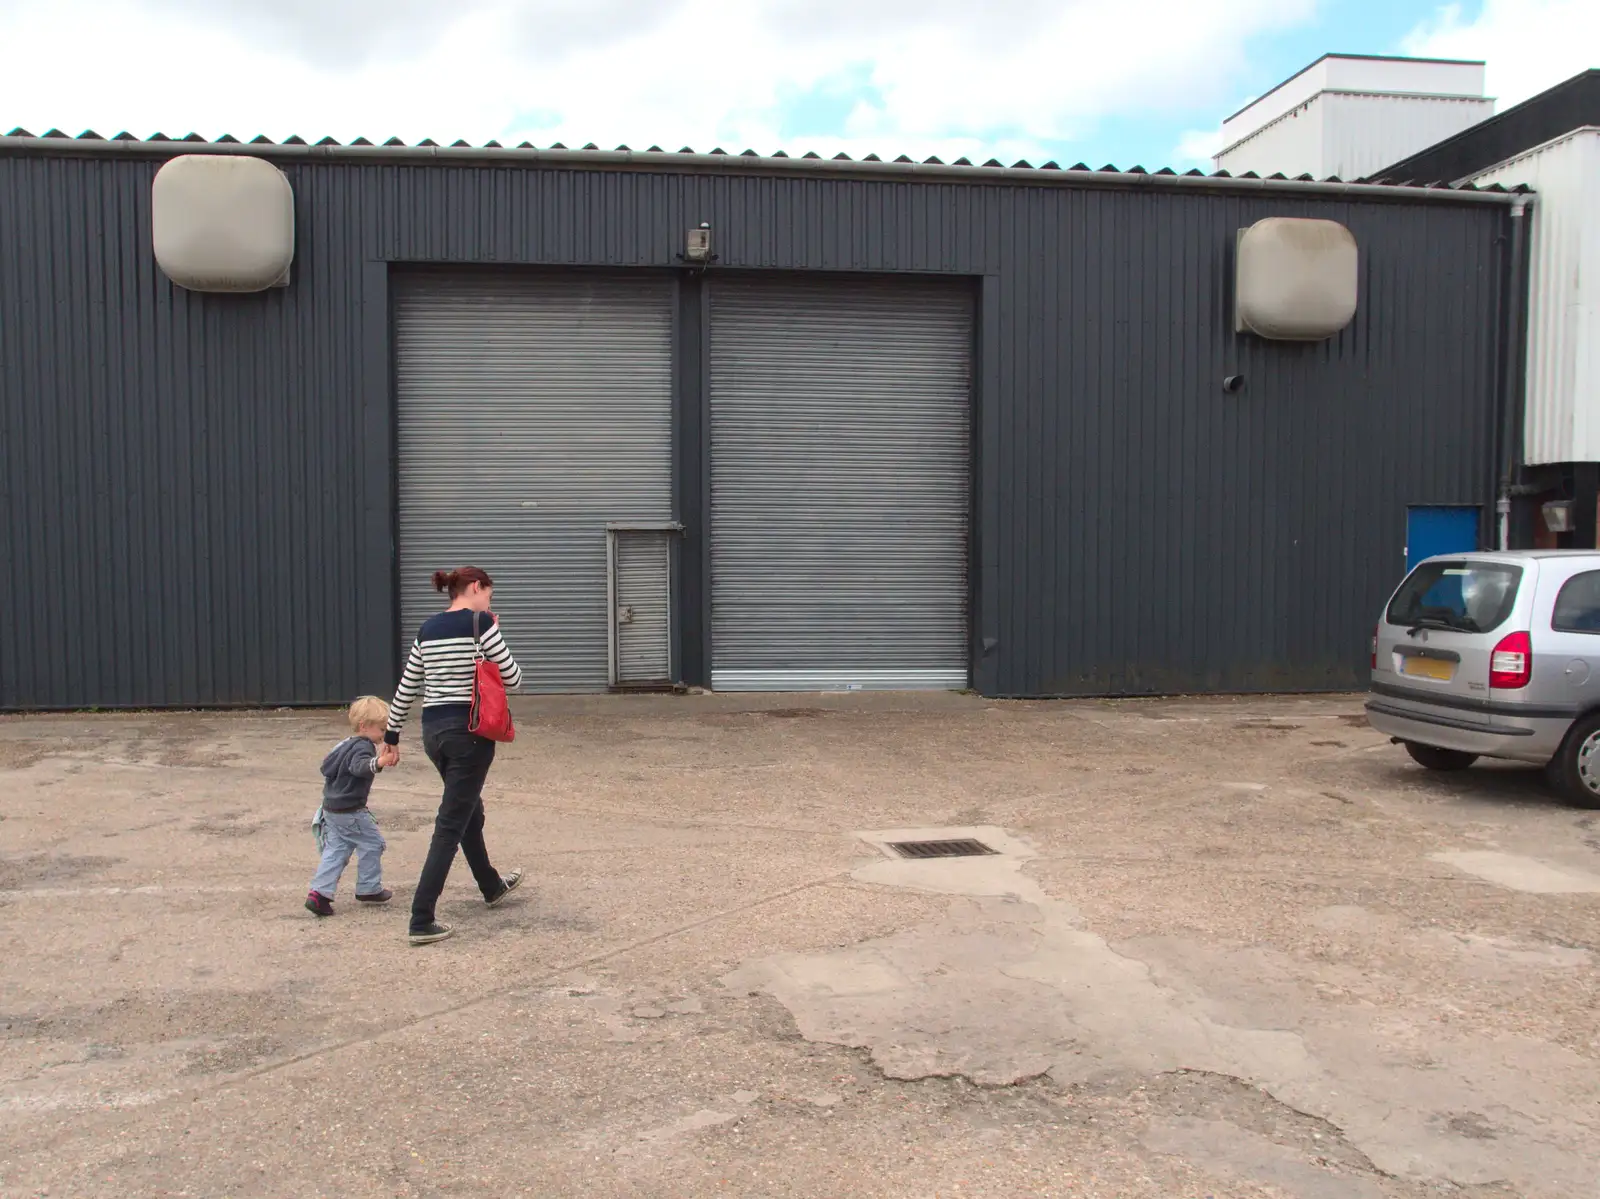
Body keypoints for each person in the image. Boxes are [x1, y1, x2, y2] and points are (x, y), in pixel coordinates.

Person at [386, 566, 524, 946]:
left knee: (468, 812)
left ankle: (491, 885)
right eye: (489, 595)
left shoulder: (426, 629)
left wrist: (391, 733)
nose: (489, 602)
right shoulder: (482, 623)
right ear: (476, 588)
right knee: (450, 824)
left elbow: (408, 684)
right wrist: (492, 634)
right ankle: (421, 917)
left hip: (434, 734)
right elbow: (514, 678)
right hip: (471, 734)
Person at [306, 696, 397, 917]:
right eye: (382, 730)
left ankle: (319, 894)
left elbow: (327, 766)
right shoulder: (363, 748)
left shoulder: (344, 744)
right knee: (373, 843)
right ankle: (368, 887)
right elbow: (360, 767)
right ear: (365, 726)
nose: (384, 735)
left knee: (337, 850)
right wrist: (380, 762)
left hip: (332, 809)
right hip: (351, 810)